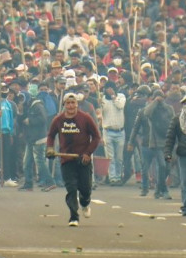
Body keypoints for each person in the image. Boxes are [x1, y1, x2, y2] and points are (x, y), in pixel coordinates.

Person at [46, 92, 101, 227]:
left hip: (83, 159)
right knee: (71, 188)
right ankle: (73, 217)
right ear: (64, 105)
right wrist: (50, 149)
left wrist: (88, 153)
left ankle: (85, 203)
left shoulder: (85, 118)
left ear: (77, 104)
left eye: (73, 103)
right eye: (68, 103)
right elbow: (51, 136)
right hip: (66, 159)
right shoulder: (58, 120)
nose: (70, 106)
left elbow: (96, 137)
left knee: (85, 188)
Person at [127, 87, 174, 198]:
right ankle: (145, 187)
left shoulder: (168, 109)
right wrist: (131, 142)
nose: (159, 99)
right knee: (145, 167)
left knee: (164, 167)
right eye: (156, 97)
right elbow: (136, 127)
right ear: (151, 99)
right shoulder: (144, 111)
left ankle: (160, 188)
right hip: (146, 143)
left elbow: (173, 125)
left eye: (161, 97)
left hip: (162, 143)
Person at [99, 81, 126, 185]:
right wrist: (100, 102)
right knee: (110, 157)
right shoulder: (103, 99)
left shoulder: (121, 96)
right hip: (108, 131)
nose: (109, 90)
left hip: (120, 131)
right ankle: (113, 178)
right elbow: (102, 111)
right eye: (107, 88)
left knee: (119, 157)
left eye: (111, 88)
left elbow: (120, 106)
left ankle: (119, 176)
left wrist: (113, 96)